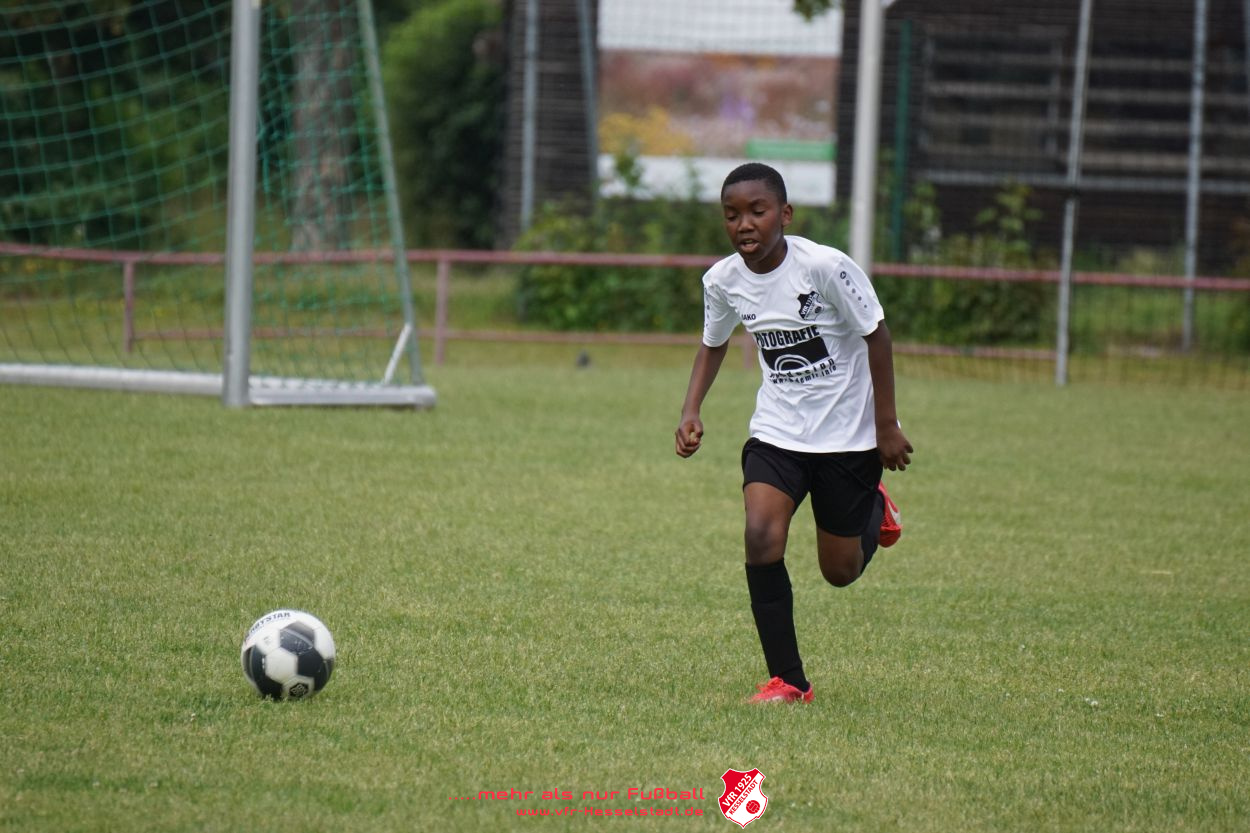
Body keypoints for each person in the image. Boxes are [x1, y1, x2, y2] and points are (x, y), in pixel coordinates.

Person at [675, 162, 913, 704]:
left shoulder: (825, 267)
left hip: (848, 439)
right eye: (732, 215)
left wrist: (886, 425)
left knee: (840, 571)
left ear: (784, 214)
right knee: (761, 536)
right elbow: (713, 343)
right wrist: (691, 410)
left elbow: (877, 336)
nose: (744, 224)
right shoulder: (722, 280)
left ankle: (877, 506)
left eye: (757, 211)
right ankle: (789, 680)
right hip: (778, 433)